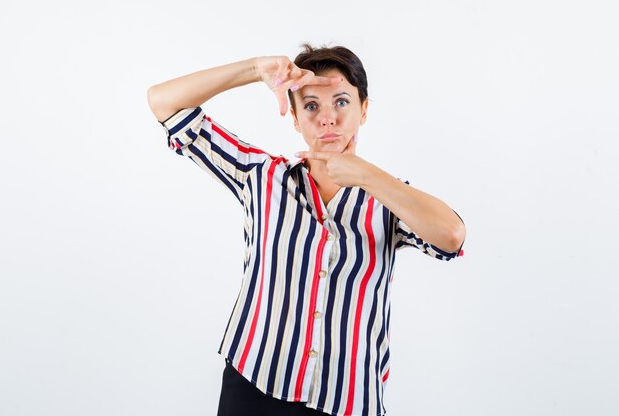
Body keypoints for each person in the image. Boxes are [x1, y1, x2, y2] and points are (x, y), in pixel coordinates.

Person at [147, 43, 466, 416]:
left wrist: (364, 174)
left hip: (347, 397)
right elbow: (163, 103)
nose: (327, 118)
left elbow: (451, 236)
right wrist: (254, 69)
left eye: (342, 102)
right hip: (255, 385)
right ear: (296, 119)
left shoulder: (389, 199)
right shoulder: (261, 176)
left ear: (364, 110)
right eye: (312, 106)